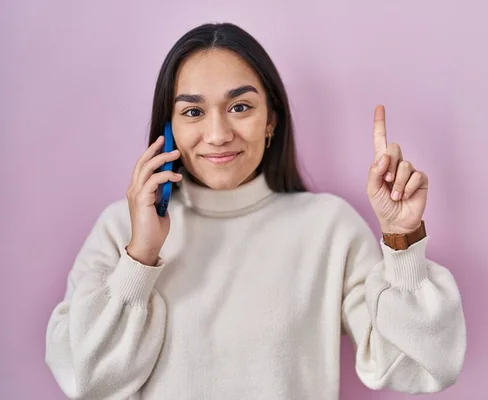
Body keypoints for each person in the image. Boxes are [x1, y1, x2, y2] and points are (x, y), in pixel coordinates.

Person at [45, 22, 466, 400]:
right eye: (193, 111)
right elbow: (87, 381)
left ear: (271, 120)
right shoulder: (120, 229)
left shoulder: (327, 228)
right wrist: (139, 257)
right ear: (168, 128)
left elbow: (419, 366)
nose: (217, 134)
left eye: (240, 107)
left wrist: (402, 239)